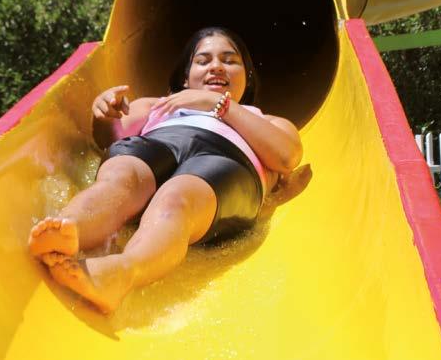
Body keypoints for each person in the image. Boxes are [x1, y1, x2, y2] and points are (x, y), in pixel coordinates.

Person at [28, 27, 303, 314]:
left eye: (229, 60)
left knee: (176, 198)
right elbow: (110, 137)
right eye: (203, 60)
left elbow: (286, 156)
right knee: (122, 177)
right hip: (161, 142)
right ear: (186, 78)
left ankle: (122, 273)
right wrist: (105, 112)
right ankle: (71, 227)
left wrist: (221, 105)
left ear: (247, 77)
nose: (216, 66)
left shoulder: (266, 120)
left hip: (225, 160)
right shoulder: (158, 106)